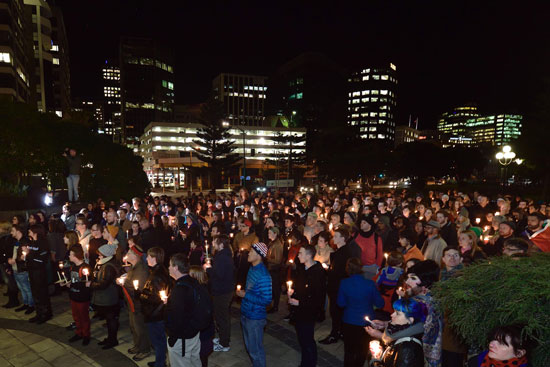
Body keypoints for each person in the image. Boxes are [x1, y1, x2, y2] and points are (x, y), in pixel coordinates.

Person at [338, 257, 384, 366]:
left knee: (349, 350)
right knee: (362, 350)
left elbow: (341, 303)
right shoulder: (370, 284)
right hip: (366, 323)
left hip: (349, 320)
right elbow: (380, 304)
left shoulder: (344, 283)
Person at [287, 245, 326, 367]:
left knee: (307, 340)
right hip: (299, 312)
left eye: (301, 253)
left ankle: (310, 364)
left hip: (308, 312)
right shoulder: (302, 269)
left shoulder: (317, 273)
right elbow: (300, 286)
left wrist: (300, 303)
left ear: (309, 255)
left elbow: (318, 298)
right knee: (302, 339)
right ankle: (305, 363)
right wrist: (292, 291)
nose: (298, 255)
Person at [236, 242, 272, 367]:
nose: (249, 253)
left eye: (251, 251)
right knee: (251, 349)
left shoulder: (264, 275)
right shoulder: (252, 268)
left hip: (255, 318)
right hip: (246, 314)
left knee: (256, 351)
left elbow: (267, 300)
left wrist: (245, 295)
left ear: (259, 255)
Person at [320, 227, 357, 345]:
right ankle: (339, 332)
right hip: (338, 287)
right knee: (337, 312)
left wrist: (328, 270)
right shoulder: (342, 251)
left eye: (336, 236)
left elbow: (339, 273)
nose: (333, 238)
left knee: (336, 312)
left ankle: (335, 334)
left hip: (338, 288)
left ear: (343, 238)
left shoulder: (343, 253)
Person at [165, 253, 202, 367]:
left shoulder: (180, 289)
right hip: (194, 333)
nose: (168, 268)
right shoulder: (193, 281)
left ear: (176, 267)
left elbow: (177, 317)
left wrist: (173, 337)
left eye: (170, 265)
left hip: (182, 338)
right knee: (194, 361)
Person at [366, 297, 426, 367]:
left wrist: (375, 361)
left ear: (410, 320)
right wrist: (382, 353)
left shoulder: (408, 349)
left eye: (397, 313)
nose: (392, 315)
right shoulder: (399, 331)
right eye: (394, 311)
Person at [140, 247, 172, 367]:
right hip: (156, 312)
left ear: (154, 258)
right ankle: (160, 360)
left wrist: (141, 295)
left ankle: (160, 363)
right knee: (159, 339)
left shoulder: (157, 275)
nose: (146, 258)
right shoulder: (157, 271)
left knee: (158, 340)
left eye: (148, 256)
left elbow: (157, 297)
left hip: (155, 313)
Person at [205, 235, 235, 352]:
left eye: (214, 241)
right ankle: (223, 337)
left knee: (222, 317)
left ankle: (224, 343)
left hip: (223, 291)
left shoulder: (223, 257)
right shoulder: (223, 255)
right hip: (223, 289)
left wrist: (208, 269)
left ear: (221, 244)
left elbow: (220, 274)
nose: (212, 243)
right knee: (221, 315)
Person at [122, 245, 151, 361]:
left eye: (129, 252)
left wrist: (123, 282)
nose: (127, 254)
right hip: (132, 303)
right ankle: (137, 345)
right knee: (133, 325)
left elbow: (138, 289)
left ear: (135, 256)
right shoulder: (134, 267)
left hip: (138, 304)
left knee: (140, 327)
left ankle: (144, 349)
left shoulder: (141, 270)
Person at [90, 244, 120, 349]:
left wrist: (91, 285)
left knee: (111, 319)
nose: (98, 255)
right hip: (106, 296)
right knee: (109, 318)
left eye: (100, 254)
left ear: (105, 255)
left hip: (109, 297)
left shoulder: (108, 266)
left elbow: (104, 283)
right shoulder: (103, 264)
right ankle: (110, 338)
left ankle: (113, 340)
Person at [64, 244, 93, 345]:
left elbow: (87, 283)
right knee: (76, 316)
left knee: (84, 317)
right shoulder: (73, 267)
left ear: (75, 255)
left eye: (71, 255)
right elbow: (73, 280)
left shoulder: (85, 268)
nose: (69, 256)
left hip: (82, 297)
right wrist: (67, 283)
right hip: (73, 296)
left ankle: (86, 335)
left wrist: (75, 284)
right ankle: (79, 332)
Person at [27, 224, 52, 323]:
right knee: (35, 293)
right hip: (32, 271)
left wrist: (29, 257)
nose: (28, 232)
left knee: (42, 293)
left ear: (35, 232)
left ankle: (46, 313)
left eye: (30, 231)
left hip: (39, 272)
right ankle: (39, 313)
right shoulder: (33, 242)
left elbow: (41, 259)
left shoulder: (43, 243)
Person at [11, 237, 34, 313]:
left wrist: (22, 258)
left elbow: (25, 260)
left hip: (22, 270)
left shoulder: (25, 245)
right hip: (17, 269)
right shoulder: (17, 244)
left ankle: (31, 305)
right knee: (22, 289)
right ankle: (26, 303)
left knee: (27, 289)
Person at [266, 227, 283, 313]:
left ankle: (275, 306)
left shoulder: (277, 245)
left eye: (270, 233)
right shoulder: (272, 243)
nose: (268, 234)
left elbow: (278, 260)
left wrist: (267, 258)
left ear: (275, 234)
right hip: (270, 269)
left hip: (275, 270)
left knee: (276, 289)